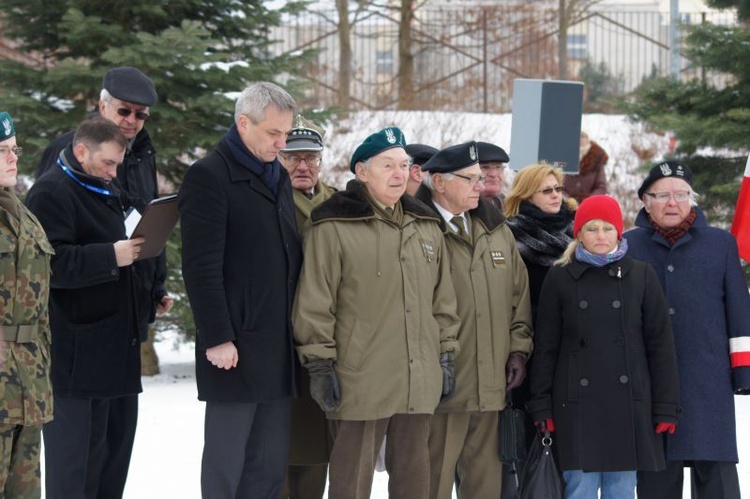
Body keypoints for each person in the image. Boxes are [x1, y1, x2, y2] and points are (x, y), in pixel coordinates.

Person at [292, 126, 460, 499]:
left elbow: (443, 303)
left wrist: (445, 355)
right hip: (358, 380)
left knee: (416, 484)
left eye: (404, 165)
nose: (399, 173)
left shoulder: (427, 226)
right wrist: (319, 364)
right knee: (351, 483)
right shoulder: (333, 224)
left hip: (418, 378)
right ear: (362, 171)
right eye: (388, 165)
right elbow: (315, 303)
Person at [178, 82, 302, 499]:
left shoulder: (277, 177)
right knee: (227, 464)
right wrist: (217, 336)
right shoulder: (209, 176)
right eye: (273, 134)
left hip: (277, 343)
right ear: (243, 123)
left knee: (268, 465)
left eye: (286, 134)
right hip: (234, 347)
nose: (282, 143)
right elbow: (200, 265)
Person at [528, 195, 681, 499]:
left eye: (608, 228)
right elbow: (546, 347)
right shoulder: (560, 277)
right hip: (575, 406)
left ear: (619, 232)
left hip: (628, 408)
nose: (600, 236)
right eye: (592, 228)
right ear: (579, 234)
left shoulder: (642, 275)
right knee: (579, 491)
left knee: (622, 491)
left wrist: (665, 407)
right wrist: (541, 403)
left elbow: (660, 347)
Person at [25, 117, 145, 498]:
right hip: (75, 358)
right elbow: (50, 265)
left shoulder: (104, 185)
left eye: (117, 165)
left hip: (113, 352)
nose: (114, 173)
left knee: (109, 464)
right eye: (108, 163)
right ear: (81, 151)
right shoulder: (51, 192)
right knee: (73, 471)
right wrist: (111, 255)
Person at [624, 160, 750, 499]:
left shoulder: (720, 245)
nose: (672, 202)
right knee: (656, 480)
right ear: (645, 201)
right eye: (662, 195)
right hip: (651, 389)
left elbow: (739, 314)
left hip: (708, 385)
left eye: (681, 194)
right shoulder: (627, 247)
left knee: (718, 481)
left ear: (692, 199)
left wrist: (744, 373)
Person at [414, 141, 533, 499]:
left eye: (481, 178)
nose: (480, 187)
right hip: (439, 389)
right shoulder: (416, 228)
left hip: (490, 386)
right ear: (438, 181)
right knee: (430, 483)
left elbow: (518, 299)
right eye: (470, 179)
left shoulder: (495, 230)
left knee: (484, 486)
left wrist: (518, 351)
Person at [36, 66, 172, 345]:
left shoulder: (142, 152)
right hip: (84, 317)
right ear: (102, 105)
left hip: (130, 308)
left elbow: (145, 218)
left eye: (141, 114)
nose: (132, 120)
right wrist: (108, 258)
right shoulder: (70, 151)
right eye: (124, 111)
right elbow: (49, 246)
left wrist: (155, 286)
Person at [502, 163, 577, 496]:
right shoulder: (509, 237)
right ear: (525, 195)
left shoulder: (577, 237)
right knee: (530, 449)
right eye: (547, 190)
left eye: (558, 189)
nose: (556, 196)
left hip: (572, 355)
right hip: (528, 354)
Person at [277, 114, 336, 499]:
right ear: (280, 159)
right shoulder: (271, 200)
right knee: (281, 445)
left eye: (310, 158)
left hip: (327, 335)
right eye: (293, 157)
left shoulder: (338, 202)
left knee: (319, 444)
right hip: (281, 334)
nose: (303, 166)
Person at [0, 112, 54, 499]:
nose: (13, 158)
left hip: (28, 383)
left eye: (14, 149)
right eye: (2, 151)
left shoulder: (25, 216)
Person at [563, 131, 609, 203]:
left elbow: (601, 187)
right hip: (566, 204)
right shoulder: (564, 156)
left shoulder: (597, 158)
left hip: (590, 205)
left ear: (588, 138)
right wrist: (567, 200)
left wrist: (588, 201)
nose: (580, 139)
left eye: (582, 136)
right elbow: (558, 183)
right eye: (577, 136)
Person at [477, 141, 509, 212]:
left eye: (498, 167)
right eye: (485, 167)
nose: (493, 174)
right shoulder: (462, 209)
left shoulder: (512, 208)